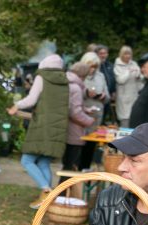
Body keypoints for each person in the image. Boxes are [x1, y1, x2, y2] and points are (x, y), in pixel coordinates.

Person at [7, 54, 69, 209]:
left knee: (26, 161)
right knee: (43, 162)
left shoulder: (42, 77)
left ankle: (46, 190)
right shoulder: (64, 80)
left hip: (42, 125)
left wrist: (16, 105)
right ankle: (47, 200)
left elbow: (31, 99)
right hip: (58, 126)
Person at [60, 62, 94, 181]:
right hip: (75, 131)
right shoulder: (76, 88)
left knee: (66, 163)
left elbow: (70, 106)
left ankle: (63, 189)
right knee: (70, 166)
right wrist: (89, 121)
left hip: (65, 128)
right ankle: (64, 190)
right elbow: (75, 113)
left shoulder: (66, 83)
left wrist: (85, 109)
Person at [78, 52, 108, 171]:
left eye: (95, 67)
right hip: (82, 117)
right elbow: (73, 95)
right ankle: (78, 172)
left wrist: (104, 96)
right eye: (90, 66)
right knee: (80, 148)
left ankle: (86, 172)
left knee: (91, 148)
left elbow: (108, 97)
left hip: (96, 117)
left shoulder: (101, 76)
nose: (93, 69)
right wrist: (86, 93)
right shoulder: (79, 76)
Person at [114, 46, 144, 128]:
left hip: (134, 96)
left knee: (135, 119)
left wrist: (138, 75)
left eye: (129, 54)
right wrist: (128, 71)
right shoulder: (117, 66)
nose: (128, 56)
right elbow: (120, 80)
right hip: (123, 98)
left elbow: (142, 77)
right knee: (125, 121)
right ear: (121, 55)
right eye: (125, 54)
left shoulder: (134, 64)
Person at [95, 45, 116, 124]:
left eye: (105, 53)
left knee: (104, 117)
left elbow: (113, 79)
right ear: (97, 54)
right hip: (98, 96)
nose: (103, 55)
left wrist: (113, 91)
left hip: (108, 96)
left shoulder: (110, 65)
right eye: (101, 53)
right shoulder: (95, 66)